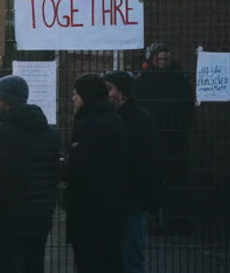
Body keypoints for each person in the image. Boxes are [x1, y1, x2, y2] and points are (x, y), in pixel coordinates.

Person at [0, 75, 61, 273]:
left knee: (9, 264)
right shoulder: (49, 133)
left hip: (8, 217)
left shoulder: (2, 132)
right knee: (35, 263)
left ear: (7, 101)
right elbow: (53, 172)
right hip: (40, 214)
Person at [64, 74, 130, 273]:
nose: (73, 99)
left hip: (88, 210)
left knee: (88, 262)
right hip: (111, 208)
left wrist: (60, 166)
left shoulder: (88, 125)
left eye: (76, 94)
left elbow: (77, 166)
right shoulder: (116, 121)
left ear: (86, 96)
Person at [133, 42, 195, 235]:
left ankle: (171, 222)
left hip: (171, 139)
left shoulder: (175, 80)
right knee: (157, 181)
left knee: (171, 182)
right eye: (160, 57)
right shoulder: (148, 81)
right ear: (152, 60)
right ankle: (155, 221)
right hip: (161, 138)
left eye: (165, 57)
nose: (163, 61)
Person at [104, 70, 163, 273]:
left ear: (122, 93)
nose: (106, 94)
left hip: (131, 197)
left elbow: (146, 162)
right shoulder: (133, 117)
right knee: (127, 253)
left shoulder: (137, 120)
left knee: (131, 255)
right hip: (128, 196)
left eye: (109, 88)